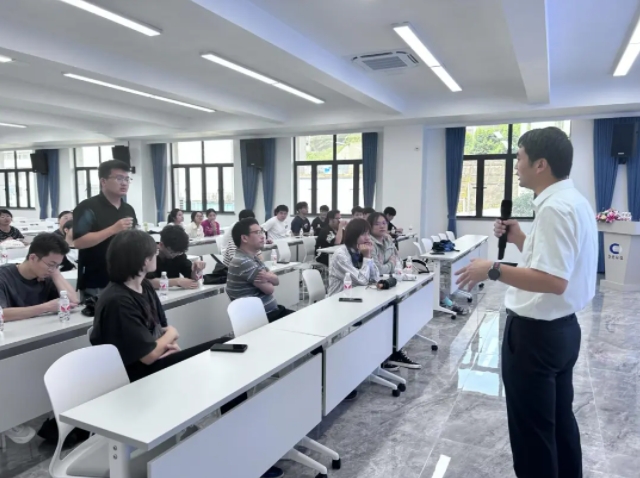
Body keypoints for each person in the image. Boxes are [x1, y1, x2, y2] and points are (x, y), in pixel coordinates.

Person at [455, 127, 597, 478]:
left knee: (532, 435)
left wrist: (493, 269)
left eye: (519, 158)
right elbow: (553, 263)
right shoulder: (573, 201)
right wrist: (520, 238)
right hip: (562, 332)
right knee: (559, 423)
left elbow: (553, 281)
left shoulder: (555, 209)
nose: (516, 165)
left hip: (536, 339)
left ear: (540, 164)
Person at [73, 160, 137, 299]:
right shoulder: (88, 207)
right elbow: (78, 242)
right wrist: (113, 229)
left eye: (127, 179)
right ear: (103, 181)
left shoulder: (128, 209)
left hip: (125, 278)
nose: (124, 183)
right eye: (119, 178)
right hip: (96, 281)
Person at [367, 212, 421, 369]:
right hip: (375, 287)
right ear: (370, 226)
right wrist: (391, 264)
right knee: (392, 311)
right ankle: (389, 352)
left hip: (390, 282)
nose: (382, 226)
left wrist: (391, 265)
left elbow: (397, 260)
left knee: (404, 305)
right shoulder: (369, 243)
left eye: (384, 223)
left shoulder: (388, 240)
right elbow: (377, 270)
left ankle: (393, 350)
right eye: (377, 224)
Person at [226, 218, 294, 322]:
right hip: (262, 318)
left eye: (261, 232)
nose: (263, 236)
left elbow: (276, 281)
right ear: (244, 238)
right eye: (257, 233)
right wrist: (270, 277)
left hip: (270, 313)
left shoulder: (253, 258)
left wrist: (268, 276)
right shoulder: (243, 262)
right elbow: (270, 289)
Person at [327, 218, 380, 296]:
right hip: (339, 299)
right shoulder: (340, 255)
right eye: (363, 234)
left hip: (356, 296)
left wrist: (369, 256)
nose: (368, 238)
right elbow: (362, 281)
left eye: (368, 234)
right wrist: (367, 257)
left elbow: (375, 278)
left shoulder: (361, 251)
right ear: (353, 236)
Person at [147, 225, 205, 289]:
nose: (174, 255)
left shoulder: (179, 255)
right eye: (171, 252)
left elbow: (191, 279)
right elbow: (147, 282)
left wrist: (196, 270)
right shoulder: (150, 256)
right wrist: (176, 281)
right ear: (161, 245)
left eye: (178, 253)